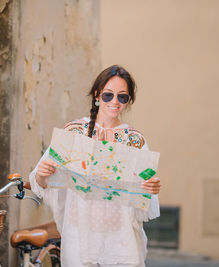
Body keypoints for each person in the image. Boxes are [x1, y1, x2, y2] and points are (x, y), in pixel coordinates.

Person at [29, 65, 161, 267]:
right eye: (108, 95)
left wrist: (150, 188)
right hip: (80, 237)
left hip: (121, 239)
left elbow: (145, 195)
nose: (115, 102)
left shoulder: (135, 141)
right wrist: (42, 174)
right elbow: (42, 181)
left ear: (129, 100)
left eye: (122, 97)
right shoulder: (73, 133)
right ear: (97, 95)